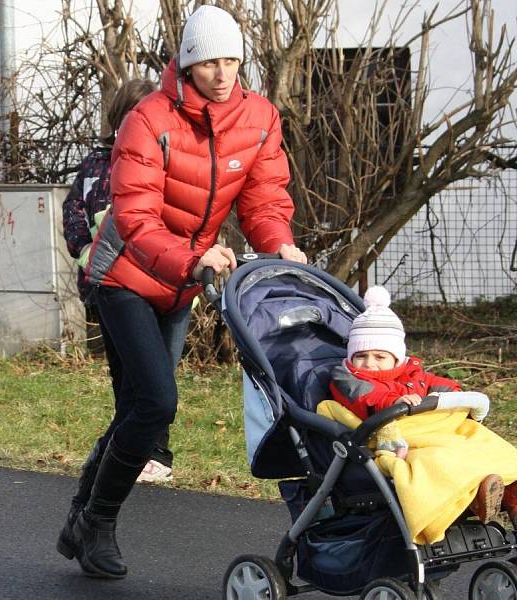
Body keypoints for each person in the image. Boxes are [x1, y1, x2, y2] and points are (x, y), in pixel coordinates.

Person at [56, 5, 307, 579]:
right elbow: (137, 219)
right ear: (188, 64)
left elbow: (264, 200)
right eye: (211, 61)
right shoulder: (148, 120)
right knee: (157, 405)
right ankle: (98, 522)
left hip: (183, 281)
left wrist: (279, 245)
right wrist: (194, 259)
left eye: (233, 60)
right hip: (124, 274)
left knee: (137, 410)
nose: (223, 73)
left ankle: (80, 516)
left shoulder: (259, 117)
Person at [327, 285, 517, 537]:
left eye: (379, 356)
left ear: (396, 357)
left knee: (488, 445)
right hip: (400, 438)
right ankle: (475, 498)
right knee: (437, 460)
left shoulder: (411, 374)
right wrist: (395, 401)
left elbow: (437, 383)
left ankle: (511, 501)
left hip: (430, 428)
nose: (369, 363)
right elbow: (366, 399)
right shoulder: (346, 378)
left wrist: (456, 394)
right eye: (361, 355)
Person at [62, 78, 176, 484]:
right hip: (109, 282)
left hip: (164, 281)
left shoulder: (168, 157)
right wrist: (85, 250)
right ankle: (125, 448)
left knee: (157, 372)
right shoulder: (98, 163)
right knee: (125, 373)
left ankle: (154, 451)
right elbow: (74, 208)